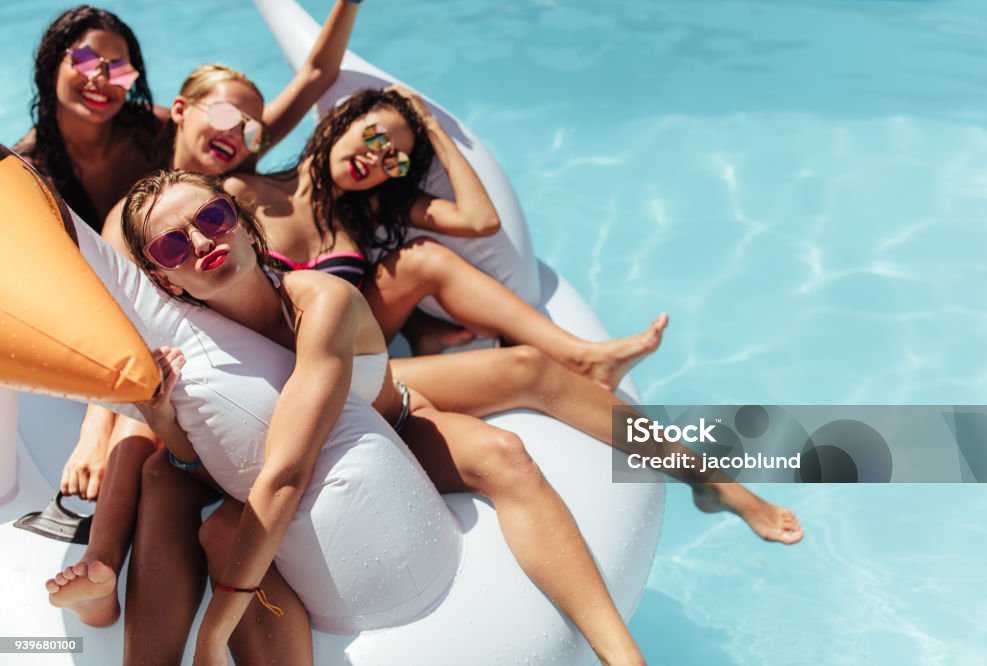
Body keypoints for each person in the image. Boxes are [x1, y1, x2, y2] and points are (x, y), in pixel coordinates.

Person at [117, 170, 647, 665]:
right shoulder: (197, 356)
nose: (202, 242)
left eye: (212, 219)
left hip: (395, 423)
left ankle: (632, 630)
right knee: (212, 524)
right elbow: (217, 468)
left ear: (244, 223)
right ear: (167, 282)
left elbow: (287, 474)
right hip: (281, 479)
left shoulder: (322, 301)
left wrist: (213, 634)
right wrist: (163, 420)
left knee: (506, 443)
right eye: (172, 245)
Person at [41, 0, 364, 629]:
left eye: (253, 128)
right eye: (224, 116)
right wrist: (94, 430)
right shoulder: (141, 214)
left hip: (329, 368)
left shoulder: (241, 186)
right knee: (147, 449)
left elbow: (317, 76)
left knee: (519, 392)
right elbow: (115, 313)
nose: (239, 132)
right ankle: (101, 575)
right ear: (183, 111)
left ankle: (624, 431)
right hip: (218, 383)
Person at [229, 87, 669, 391]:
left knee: (424, 257)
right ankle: (433, 344)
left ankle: (582, 357)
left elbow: (480, 221)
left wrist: (431, 128)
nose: (377, 158)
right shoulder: (244, 192)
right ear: (338, 124)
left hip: (344, 344)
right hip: (279, 351)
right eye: (375, 137)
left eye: (394, 161)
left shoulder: (372, 209)